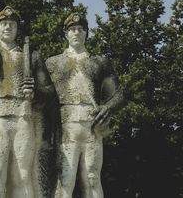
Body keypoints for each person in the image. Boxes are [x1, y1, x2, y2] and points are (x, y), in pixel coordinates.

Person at [0, 6, 55, 198]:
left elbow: (50, 93)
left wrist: (35, 91)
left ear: (17, 28)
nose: (7, 27)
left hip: (22, 118)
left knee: (22, 178)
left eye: (12, 24)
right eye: (4, 24)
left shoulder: (31, 56)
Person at [46, 13, 124, 198]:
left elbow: (119, 94)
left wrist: (107, 107)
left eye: (80, 29)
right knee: (65, 179)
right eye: (72, 30)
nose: (76, 33)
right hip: (66, 126)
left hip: (92, 125)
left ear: (86, 33)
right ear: (66, 34)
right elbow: (44, 97)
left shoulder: (99, 62)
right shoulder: (53, 63)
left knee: (92, 177)